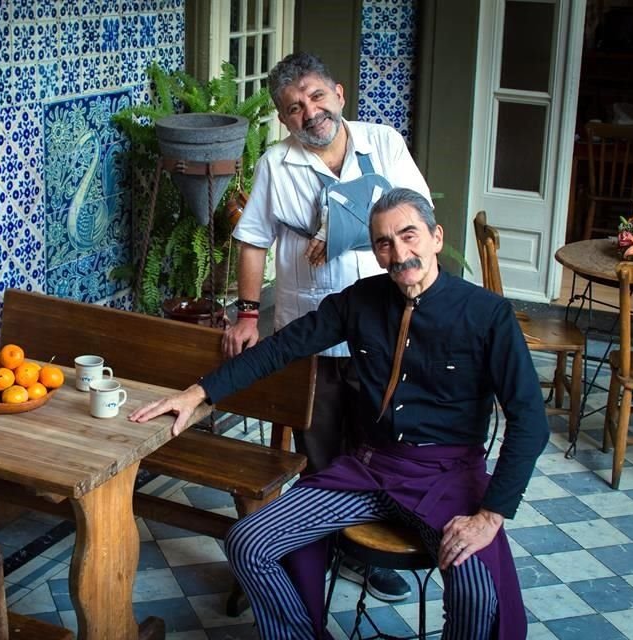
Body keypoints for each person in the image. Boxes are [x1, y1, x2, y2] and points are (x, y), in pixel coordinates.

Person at [131, 188, 548, 640]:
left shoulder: (488, 315)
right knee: (249, 543)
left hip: (444, 476)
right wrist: (199, 392)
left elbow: (531, 423)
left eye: (409, 235)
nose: (399, 252)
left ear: (435, 237)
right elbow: (282, 348)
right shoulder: (360, 301)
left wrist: (488, 517)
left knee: (477, 593)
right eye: (384, 242)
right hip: (368, 468)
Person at [223, 52, 432, 600]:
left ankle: (368, 548)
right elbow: (251, 240)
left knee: (378, 443)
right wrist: (248, 315)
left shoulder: (382, 142)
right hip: (312, 330)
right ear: (283, 119)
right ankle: (323, 542)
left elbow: (415, 215)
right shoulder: (277, 164)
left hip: (386, 328)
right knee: (320, 447)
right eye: (294, 108)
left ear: (339, 94)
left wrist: (341, 223)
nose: (309, 112)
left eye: (316, 97)